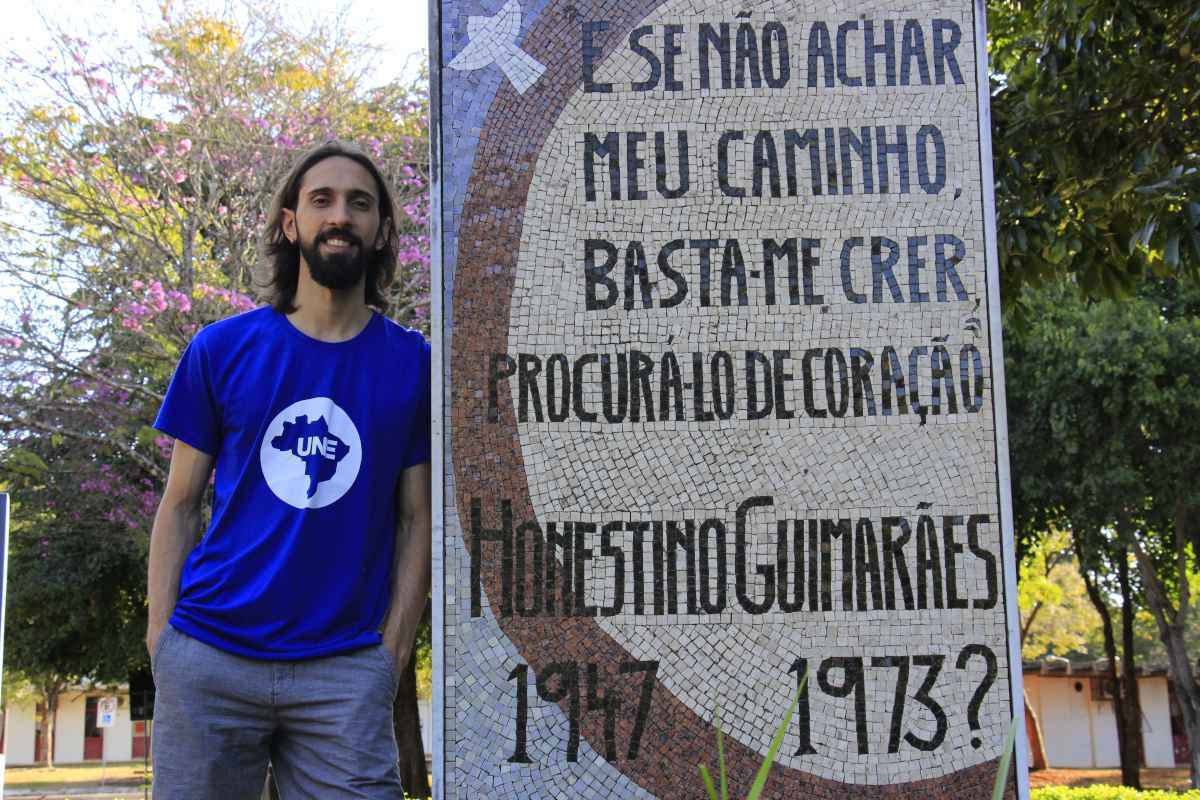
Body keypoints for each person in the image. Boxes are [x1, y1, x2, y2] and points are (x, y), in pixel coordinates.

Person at [145, 140, 431, 799]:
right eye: (321, 200)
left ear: (382, 228)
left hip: (344, 672)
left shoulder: (412, 364)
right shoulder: (220, 350)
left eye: (359, 203)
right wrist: (163, 640)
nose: (340, 216)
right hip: (210, 657)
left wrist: (389, 656)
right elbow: (182, 504)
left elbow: (417, 517)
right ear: (289, 223)